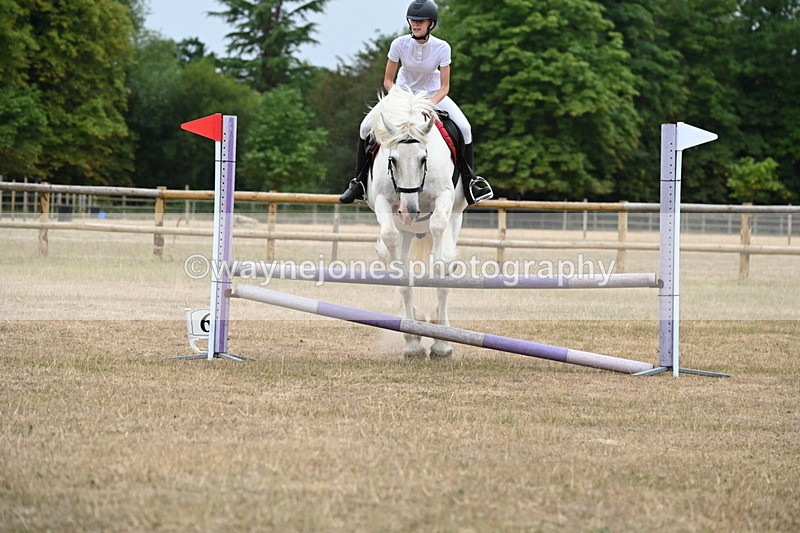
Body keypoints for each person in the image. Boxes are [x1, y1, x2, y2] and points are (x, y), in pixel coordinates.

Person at [339, 0, 493, 205]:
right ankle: (358, 182)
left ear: (431, 23)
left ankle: (470, 181)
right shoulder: (399, 44)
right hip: (402, 93)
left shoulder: (442, 47)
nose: (415, 24)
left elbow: (445, 86)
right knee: (365, 126)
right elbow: (387, 81)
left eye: (421, 21)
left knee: (465, 127)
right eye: (413, 20)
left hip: (432, 95)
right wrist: (397, 97)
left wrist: (430, 105)